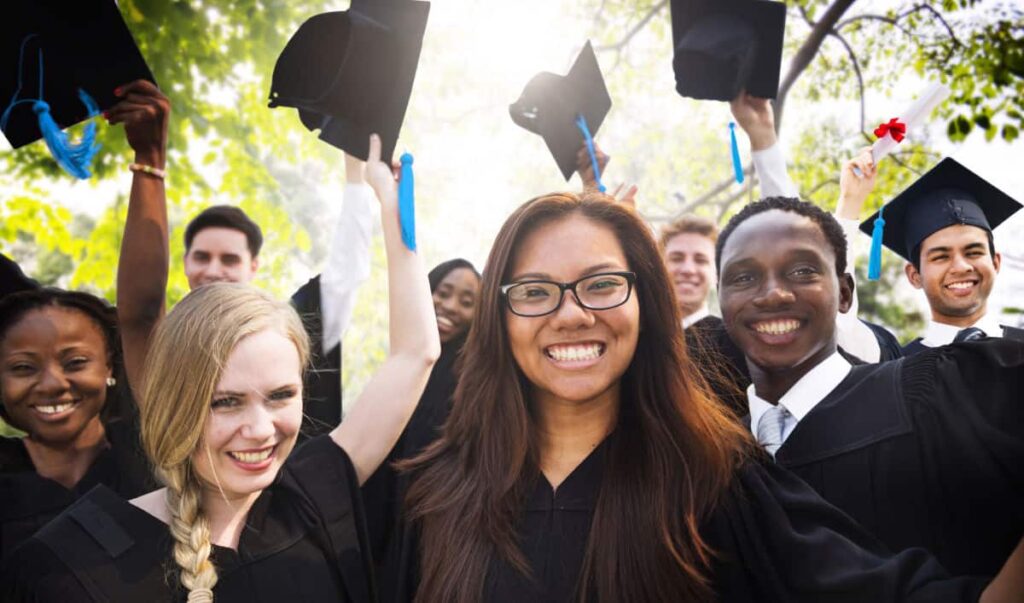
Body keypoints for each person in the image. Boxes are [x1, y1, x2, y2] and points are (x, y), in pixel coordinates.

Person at [376, 191, 1003, 602]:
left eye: (601, 284)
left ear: (647, 305)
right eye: (535, 291)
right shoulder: (433, 493)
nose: (570, 315)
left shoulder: (715, 478)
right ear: (500, 316)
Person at [0, 133, 440, 602]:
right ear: (174, 403)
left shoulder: (310, 496)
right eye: (225, 402)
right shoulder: (68, 568)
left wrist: (390, 206)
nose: (259, 429)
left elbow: (416, 354)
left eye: (280, 396)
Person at [716, 195, 1024, 578]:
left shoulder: (926, 393)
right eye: (743, 277)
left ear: (845, 294)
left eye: (802, 271)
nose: (773, 293)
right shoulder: (712, 455)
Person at [111, 80, 374, 434]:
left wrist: (357, 169)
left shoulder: (292, 329)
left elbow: (345, 272)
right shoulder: (167, 353)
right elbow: (141, 314)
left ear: (253, 267)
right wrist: (149, 160)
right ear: (185, 263)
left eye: (278, 395)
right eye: (202, 257)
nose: (214, 271)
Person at [0, 288, 154, 560]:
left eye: (75, 362)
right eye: (23, 367)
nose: (52, 384)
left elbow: (143, 313)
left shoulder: (148, 459)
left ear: (109, 365)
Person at [850, 154, 1022, 355]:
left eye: (973, 252)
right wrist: (850, 201)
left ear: (995, 262)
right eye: (941, 257)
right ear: (915, 275)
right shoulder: (896, 371)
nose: (961, 266)